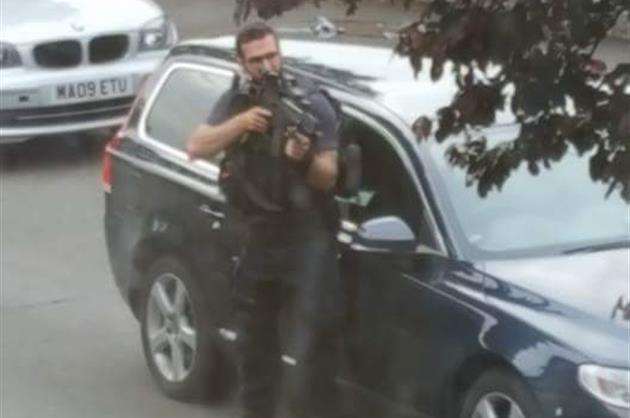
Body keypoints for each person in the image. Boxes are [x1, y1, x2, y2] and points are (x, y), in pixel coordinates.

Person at [186, 22, 343, 418]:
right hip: (257, 238)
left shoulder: (312, 104)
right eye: (257, 60)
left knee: (314, 352)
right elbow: (196, 146)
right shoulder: (236, 103)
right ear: (241, 63)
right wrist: (241, 123)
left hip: (307, 239)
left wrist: (302, 157)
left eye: (272, 55)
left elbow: (328, 174)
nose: (267, 65)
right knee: (255, 351)